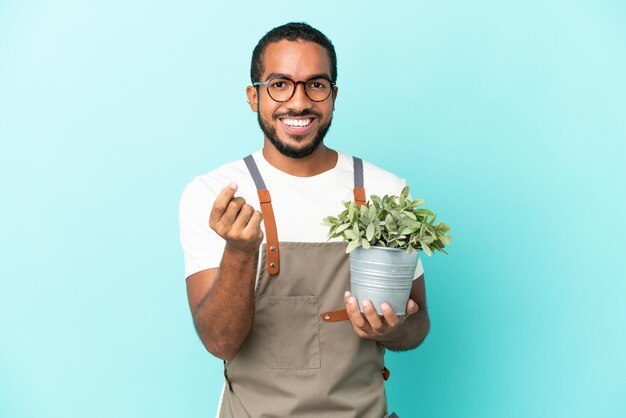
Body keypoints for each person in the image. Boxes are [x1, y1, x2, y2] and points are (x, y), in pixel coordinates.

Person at [179, 22, 430, 417]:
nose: (299, 103)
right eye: (280, 84)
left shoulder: (385, 190)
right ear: (253, 96)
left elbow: (419, 324)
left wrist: (393, 328)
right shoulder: (215, 195)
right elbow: (221, 342)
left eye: (316, 84)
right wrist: (241, 251)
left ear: (333, 95)